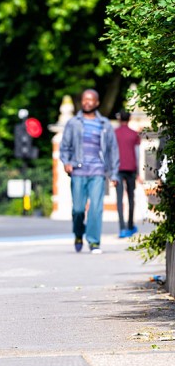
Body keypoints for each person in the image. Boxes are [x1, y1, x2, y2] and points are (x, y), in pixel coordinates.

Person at [60, 89, 119, 254]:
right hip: (78, 171)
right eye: (84, 99)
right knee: (78, 209)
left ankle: (94, 241)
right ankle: (78, 234)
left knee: (96, 208)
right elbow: (64, 147)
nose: (87, 102)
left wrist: (113, 173)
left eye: (90, 100)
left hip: (98, 171)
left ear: (97, 103)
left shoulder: (105, 124)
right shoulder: (73, 123)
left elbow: (113, 150)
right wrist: (66, 162)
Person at [114, 111, 140, 238]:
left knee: (119, 199)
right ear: (129, 119)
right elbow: (137, 153)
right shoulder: (134, 134)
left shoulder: (115, 133)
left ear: (119, 119)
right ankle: (130, 225)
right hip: (131, 168)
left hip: (118, 169)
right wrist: (139, 171)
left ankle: (122, 228)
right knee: (131, 198)